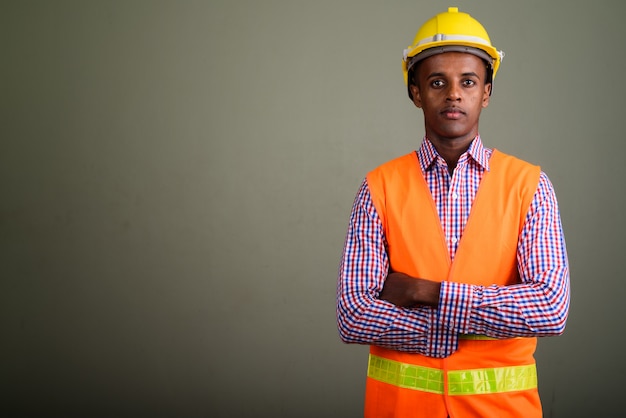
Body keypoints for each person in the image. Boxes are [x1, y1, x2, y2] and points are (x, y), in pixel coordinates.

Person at [336, 7, 570, 418]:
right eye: (437, 82)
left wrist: (426, 293)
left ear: (486, 93)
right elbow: (354, 314)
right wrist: (452, 329)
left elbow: (549, 308)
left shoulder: (529, 186)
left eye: (468, 81)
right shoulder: (379, 187)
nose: (454, 94)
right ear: (415, 93)